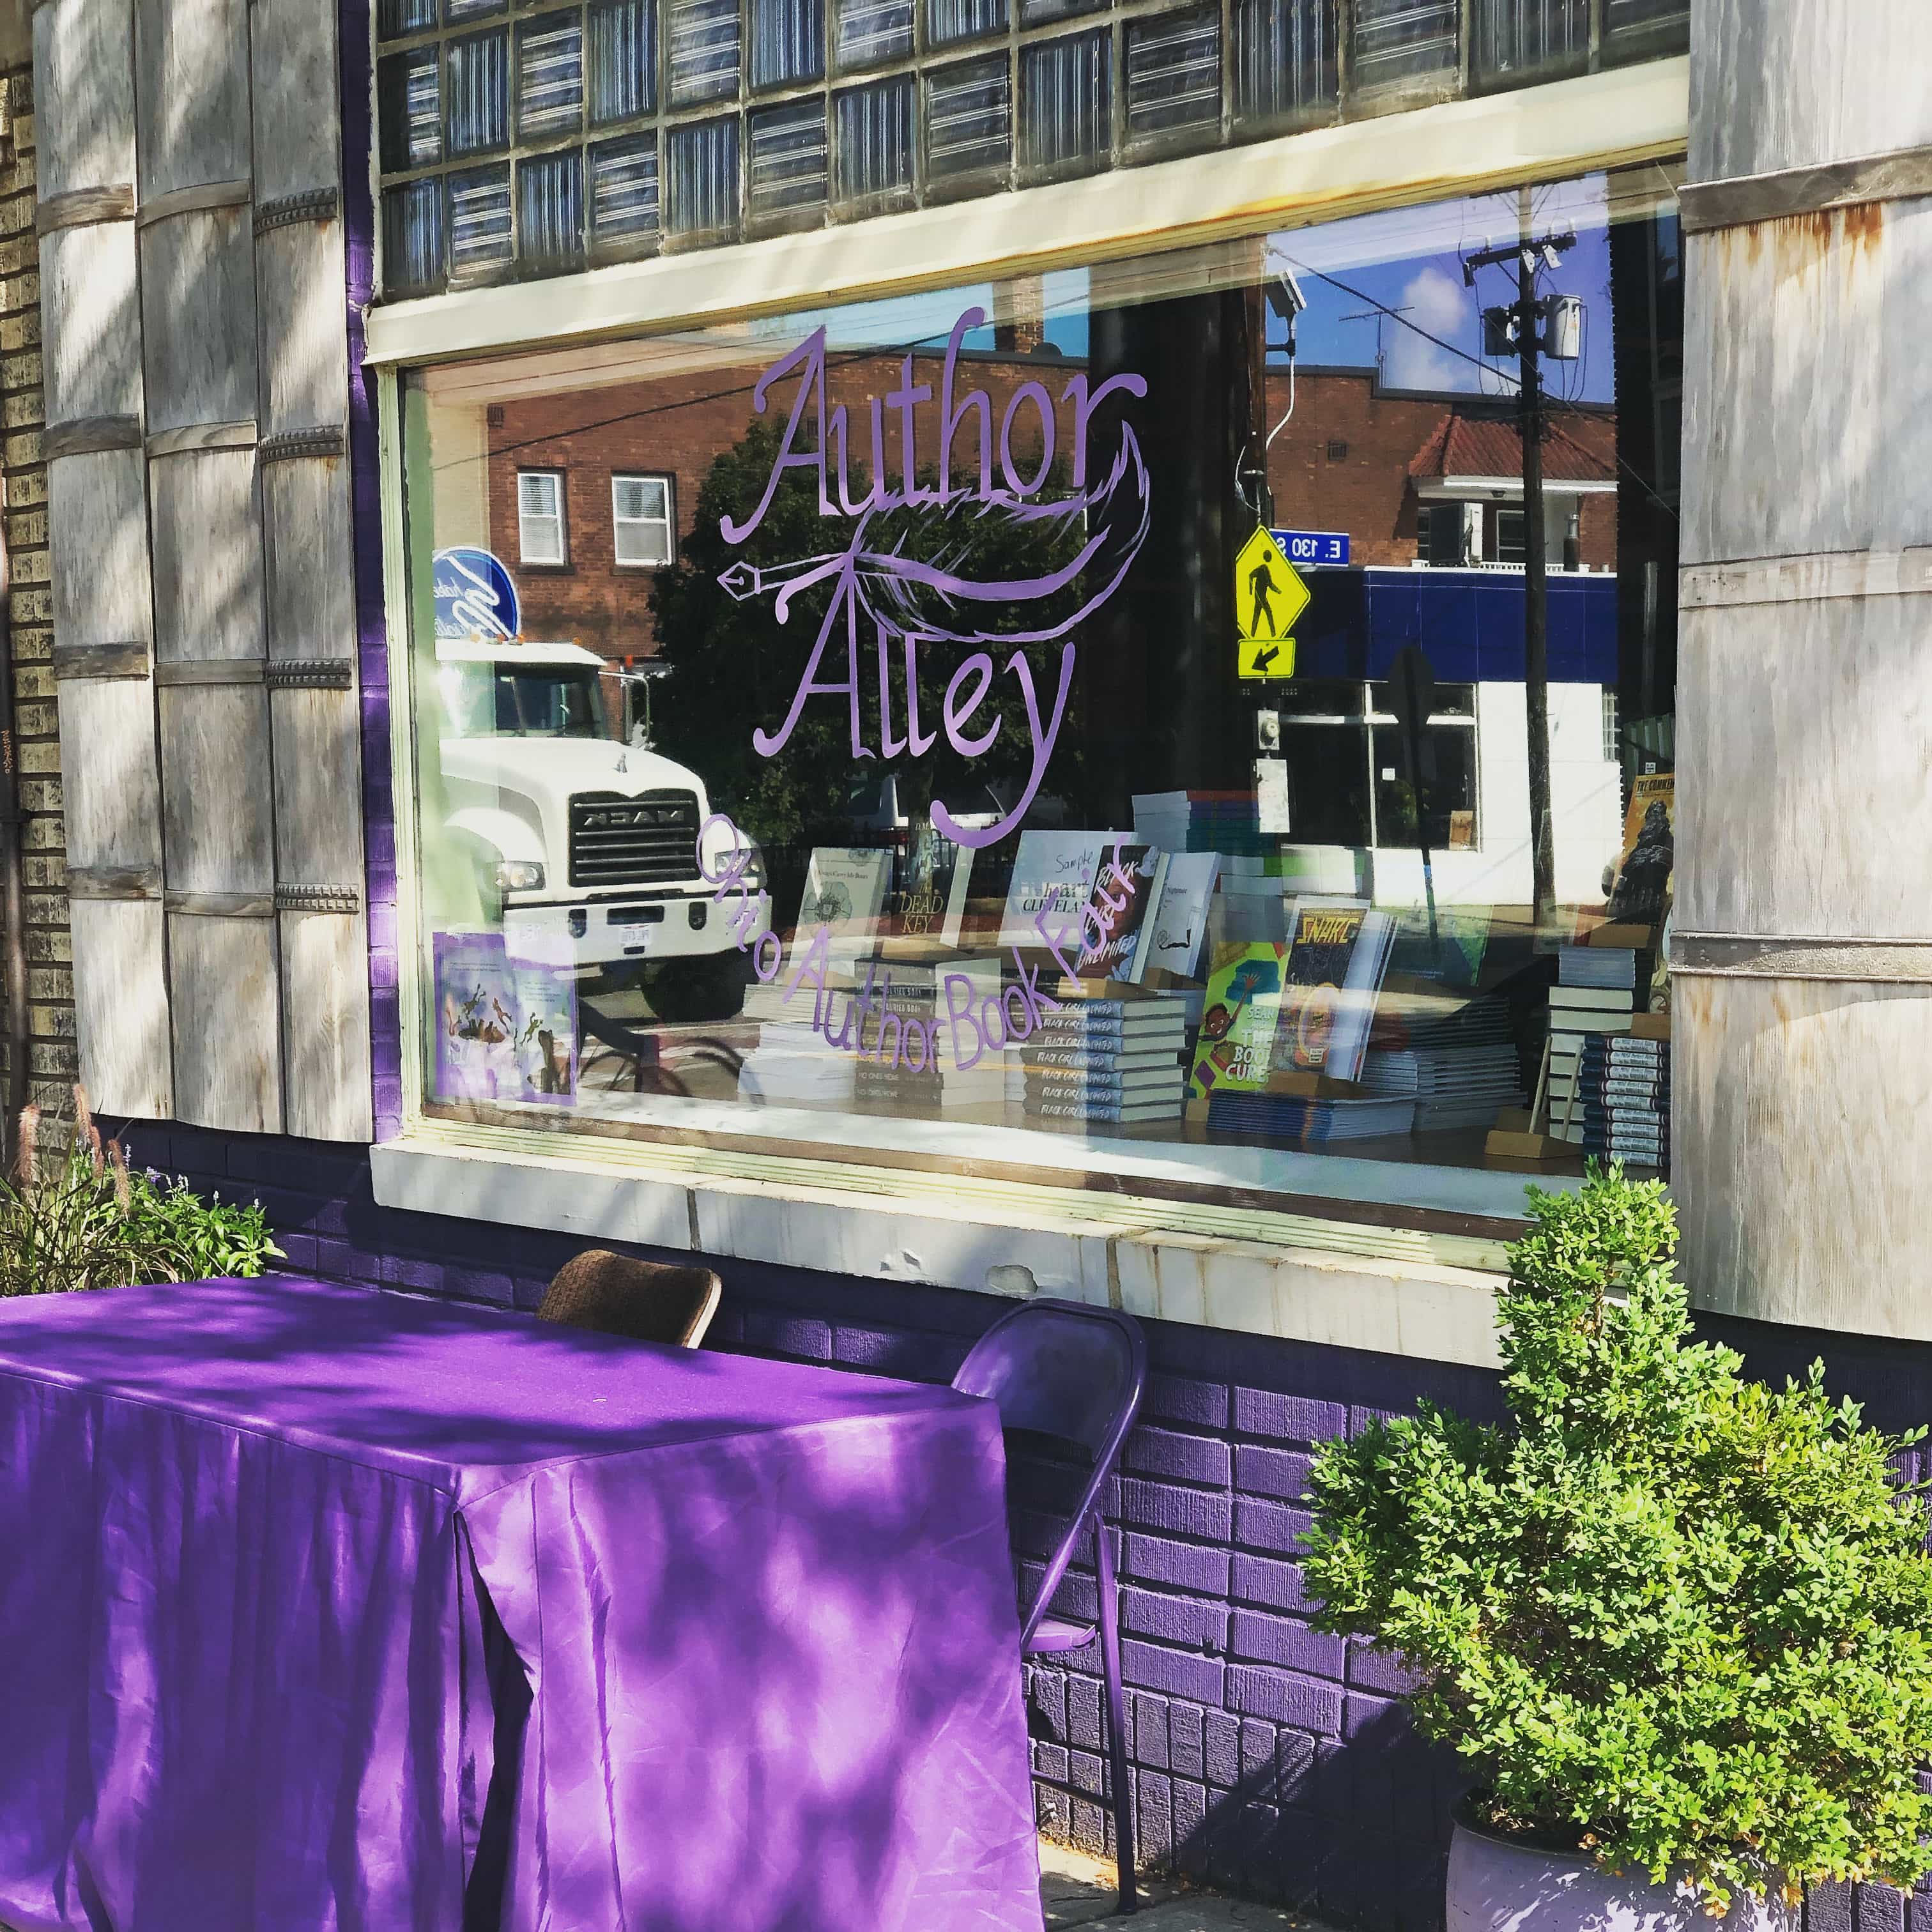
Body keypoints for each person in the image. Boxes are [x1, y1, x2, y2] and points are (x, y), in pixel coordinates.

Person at [1248, 557, 1279, 636]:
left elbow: (1270, 584)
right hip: (1260, 597)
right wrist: (1251, 591)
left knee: (1257, 615)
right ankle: (1273, 634)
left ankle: (1252, 634)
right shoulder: (1264, 569)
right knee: (1268, 613)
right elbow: (1270, 584)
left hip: (1259, 596)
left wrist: (1252, 592)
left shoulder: (1263, 568)